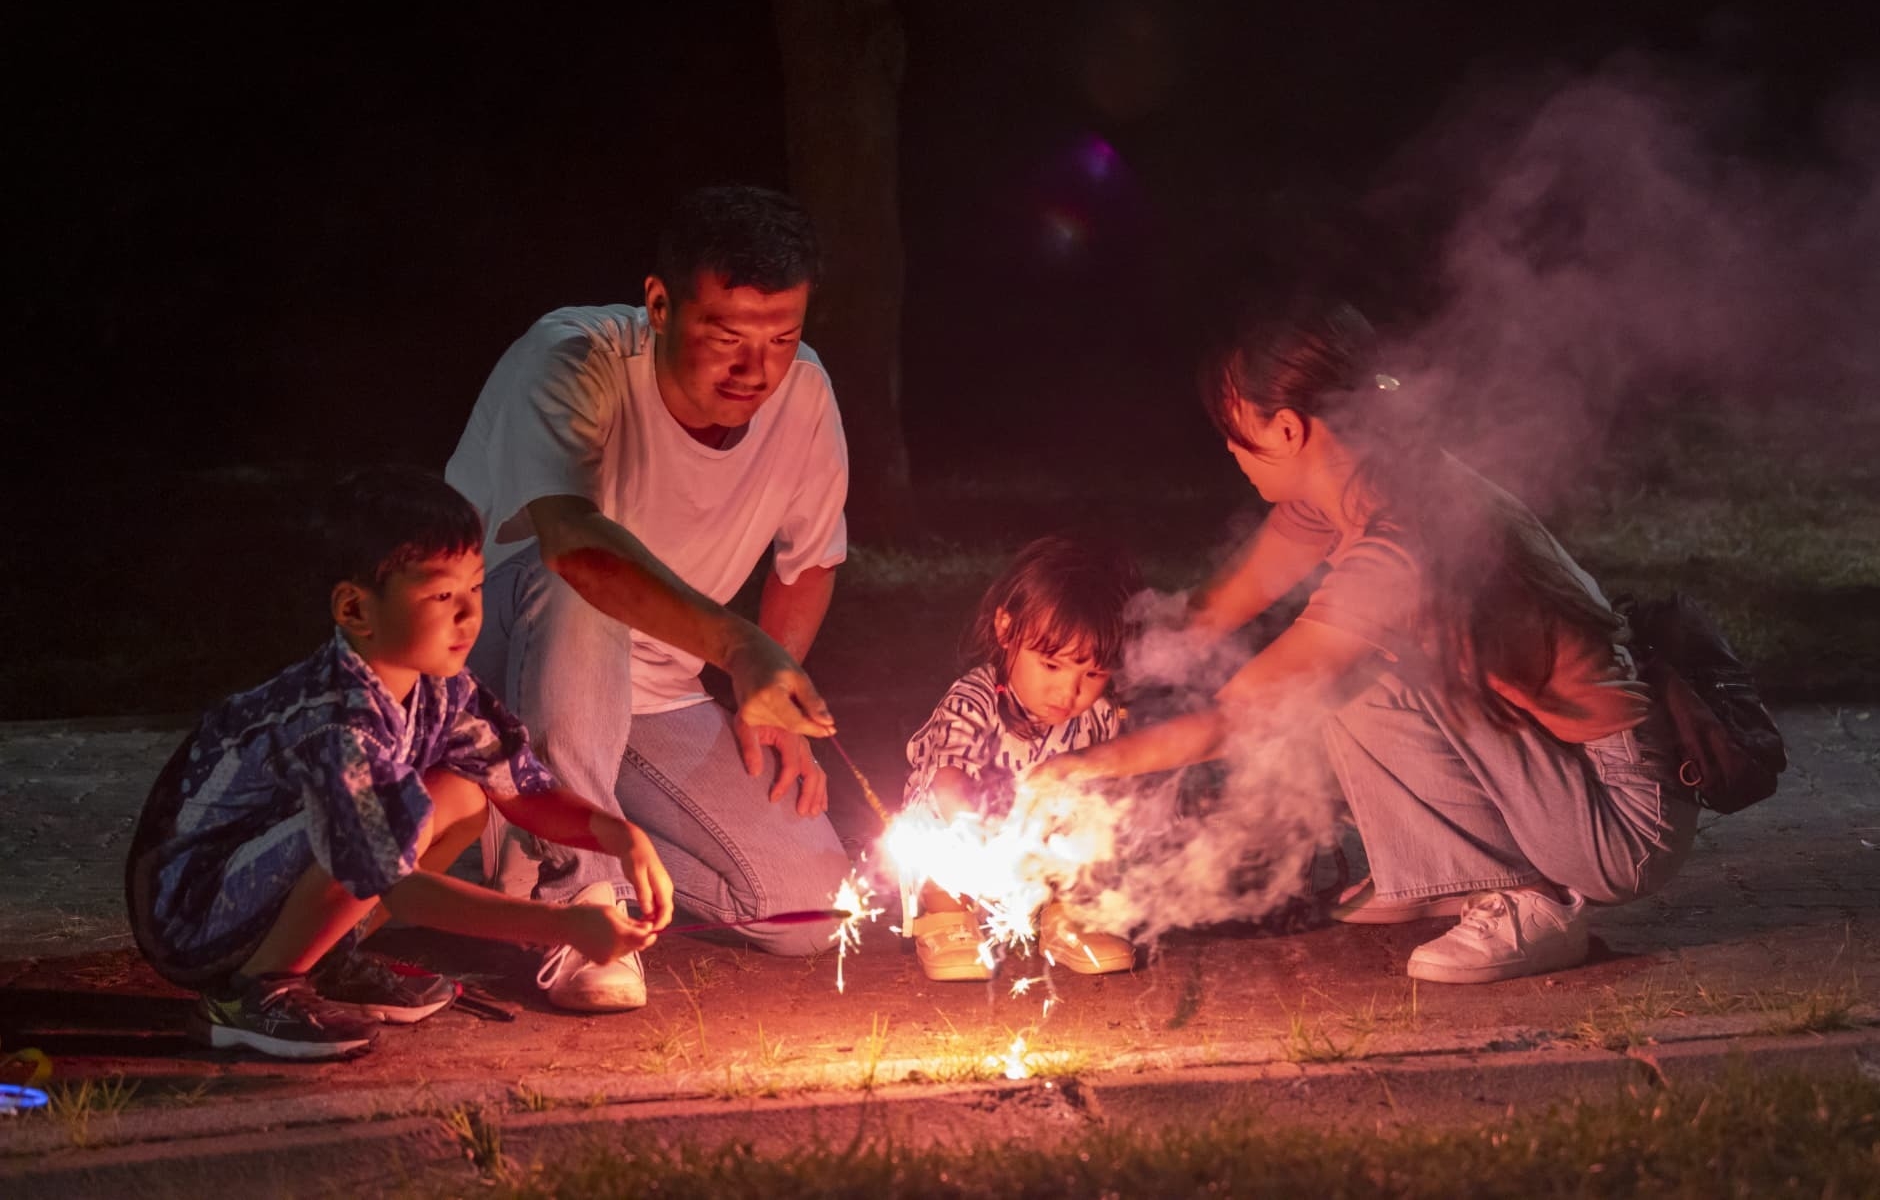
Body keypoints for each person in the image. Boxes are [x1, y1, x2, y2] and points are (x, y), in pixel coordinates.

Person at [1028, 295, 1697, 984]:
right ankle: (1436, 865)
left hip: (1623, 817)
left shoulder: (1400, 544)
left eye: (1233, 429)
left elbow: (1242, 712)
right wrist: (1088, 658)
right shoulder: (1354, 487)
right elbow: (1208, 614)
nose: (1228, 448)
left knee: (1334, 679)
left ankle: (1529, 902)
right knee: (1351, 678)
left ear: (1287, 428)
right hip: (1577, 772)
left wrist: (1076, 768)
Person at [447, 185, 850, 1012]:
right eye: (726, 336)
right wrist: (739, 650)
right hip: (496, 667)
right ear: (660, 305)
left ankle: (533, 855)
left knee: (809, 908)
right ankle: (576, 902)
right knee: (583, 581)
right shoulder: (571, 359)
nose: (757, 370)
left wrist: (772, 696)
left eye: (782, 337)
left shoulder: (805, 393)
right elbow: (573, 544)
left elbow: (808, 561)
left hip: (653, 696)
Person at [126, 467, 676, 1061]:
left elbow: (521, 789)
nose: (468, 615)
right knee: (391, 819)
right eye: (441, 596)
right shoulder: (338, 719)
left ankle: (321, 961)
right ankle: (253, 994)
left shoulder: (440, 689)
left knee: (464, 794)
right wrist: (563, 926)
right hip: (195, 913)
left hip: (264, 878)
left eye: (475, 587)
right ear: (355, 609)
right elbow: (402, 889)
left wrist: (618, 835)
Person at [900, 535, 1140, 981]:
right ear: (1006, 630)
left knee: (1093, 808)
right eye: (1051, 665)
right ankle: (946, 913)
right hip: (969, 837)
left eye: (1092, 674)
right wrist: (975, 838)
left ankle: (1066, 917)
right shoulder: (973, 701)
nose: (1068, 692)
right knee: (934, 819)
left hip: (1040, 853)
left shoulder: (1100, 716)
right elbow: (947, 778)